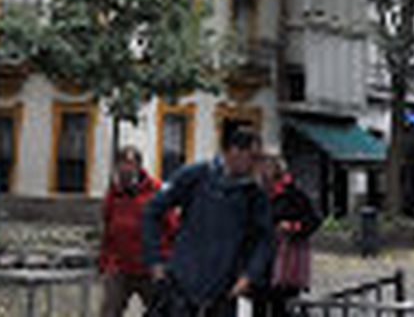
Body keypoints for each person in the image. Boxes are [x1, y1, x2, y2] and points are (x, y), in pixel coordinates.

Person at [143, 129, 273, 317]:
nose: (256, 165)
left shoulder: (254, 193)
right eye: (253, 157)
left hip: (223, 290)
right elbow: (152, 210)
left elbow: (265, 239)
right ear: (234, 152)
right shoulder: (196, 176)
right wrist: (155, 260)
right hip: (182, 284)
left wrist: (249, 276)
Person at [99, 146, 171, 317]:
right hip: (120, 267)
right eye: (121, 164)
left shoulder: (156, 191)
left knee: (161, 311)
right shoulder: (113, 194)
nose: (125, 168)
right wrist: (105, 261)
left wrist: (165, 261)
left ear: (139, 167)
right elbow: (108, 228)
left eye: (130, 164)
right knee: (109, 311)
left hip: (150, 269)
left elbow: (172, 227)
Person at [255, 155, 321, 317]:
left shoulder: (294, 195)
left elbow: (314, 220)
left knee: (282, 307)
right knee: (259, 306)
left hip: (286, 263)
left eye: (266, 171)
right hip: (262, 261)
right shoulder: (258, 195)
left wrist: (292, 227)